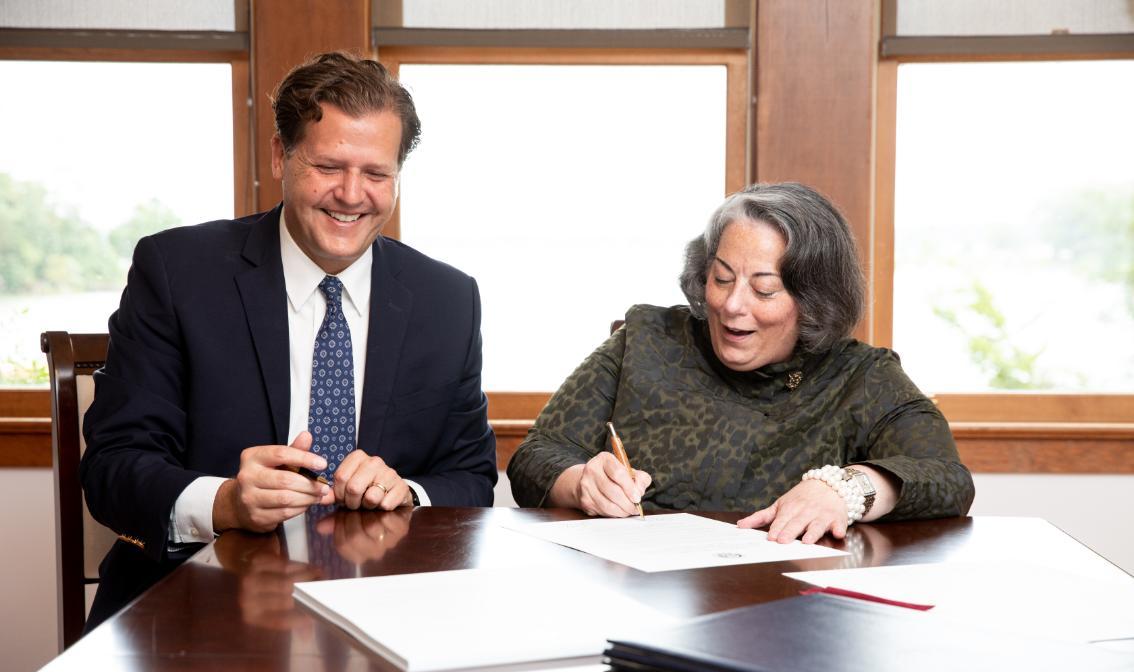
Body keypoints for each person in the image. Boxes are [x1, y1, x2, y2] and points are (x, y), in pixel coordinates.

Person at [80, 51, 496, 628]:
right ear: (281, 155)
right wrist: (224, 501)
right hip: (194, 613)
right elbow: (113, 467)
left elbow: (472, 477)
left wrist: (407, 491)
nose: (352, 195)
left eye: (376, 174)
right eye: (329, 167)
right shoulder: (177, 272)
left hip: (387, 613)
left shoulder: (447, 298)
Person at [508, 182, 973, 542]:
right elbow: (535, 456)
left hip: (782, 608)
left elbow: (948, 479)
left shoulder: (861, 377)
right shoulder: (646, 341)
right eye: (722, 278)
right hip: (638, 595)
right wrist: (581, 483)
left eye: (764, 289)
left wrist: (848, 488)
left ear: (814, 300)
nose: (732, 305)